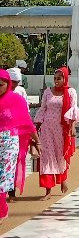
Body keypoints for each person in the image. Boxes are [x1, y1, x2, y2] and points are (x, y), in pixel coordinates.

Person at [34, 67, 79, 197]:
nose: (56, 81)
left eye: (59, 78)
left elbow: (73, 110)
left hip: (62, 129)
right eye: (54, 78)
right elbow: (43, 108)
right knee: (46, 157)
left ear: (65, 79)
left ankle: (62, 180)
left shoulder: (71, 92)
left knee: (60, 155)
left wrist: (72, 128)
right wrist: (37, 126)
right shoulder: (48, 92)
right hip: (47, 129)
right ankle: (47, 189)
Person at [0, 69, 40, 218]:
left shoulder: (16, 100)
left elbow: (27, 122)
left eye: (0, 85)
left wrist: (37, 141)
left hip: (9, 144)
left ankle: (2, 210)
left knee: (3, 178)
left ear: (7, 84)